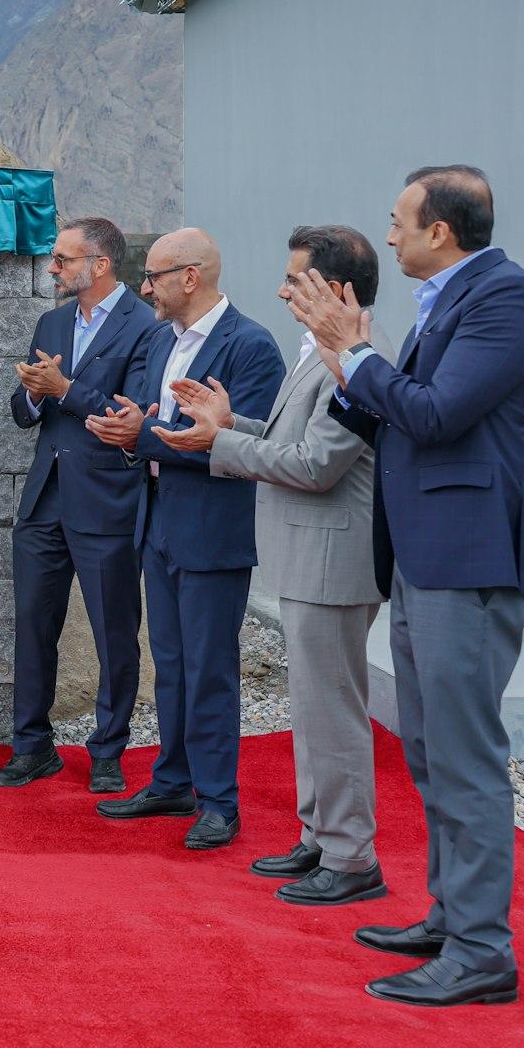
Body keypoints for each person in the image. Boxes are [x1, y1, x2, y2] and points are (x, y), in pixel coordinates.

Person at [289, 166, 524, 1008]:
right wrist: (346, 361)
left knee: (466, 757)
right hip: (425, 557)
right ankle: (452, 915)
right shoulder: (449, 301)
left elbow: (439, 413)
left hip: (472, 558)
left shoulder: (509, 300)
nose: (393, 233)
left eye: (401, 221)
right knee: (430, 750)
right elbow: (399, 410)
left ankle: (482, 952)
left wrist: (357, 351)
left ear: (441, 230)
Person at [156, 226, 392, 903]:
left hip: (333, 560)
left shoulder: (359, 359)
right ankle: (320, 836)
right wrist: (233, 427)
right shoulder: (320, 354)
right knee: (311, 709)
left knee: (334, 713)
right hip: (307, 558)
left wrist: (223, 442)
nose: (284, 290)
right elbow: (293, 441)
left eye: (296, 279)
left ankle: (351, 859)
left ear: (333, 288)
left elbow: (319, 466)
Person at [85, 228, 284, 849]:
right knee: (170, 665)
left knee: (210, 669)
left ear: (190, 277)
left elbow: (236, 448)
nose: (145, 288)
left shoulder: (251, 347)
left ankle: (219, 801)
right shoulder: (160, 342)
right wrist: (131, 427)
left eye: (154, 277)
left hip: (212, 532)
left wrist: (140, 436)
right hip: (159, 523)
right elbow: (159, 423)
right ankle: (172, 781)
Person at [0, 217, 164, 794]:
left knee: (116, 630)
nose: (54, 268)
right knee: (34, 626)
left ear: (101, 264)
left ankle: (109, 751)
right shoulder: (53, 321)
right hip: (44, 501)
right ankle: (32, 747)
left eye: (64, 259)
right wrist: (36, 393)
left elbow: (130, 413)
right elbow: (22, 411)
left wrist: (63, 391)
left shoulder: (146, 328)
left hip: (109, 500)